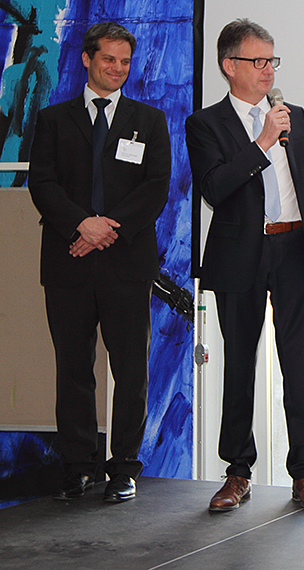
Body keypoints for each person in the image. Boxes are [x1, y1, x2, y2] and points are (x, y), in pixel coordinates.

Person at [185, 19, 304, 512]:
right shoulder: (205, 124)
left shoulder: (293, 115)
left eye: (273, 60)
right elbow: (214, 188)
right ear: (229, 66)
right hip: (240, 255)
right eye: (258, 61)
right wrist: (261, 144)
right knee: (239, 367)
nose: (268, 70)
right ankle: (237, 472)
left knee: (299, 368)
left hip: (295, 250)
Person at [28, 22, 171, 502]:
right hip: (68, 261)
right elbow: (43, 185)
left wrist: (106, 227)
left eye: (126, 61)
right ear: (88, 59)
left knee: (131, 371)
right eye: (109, 59)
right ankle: (78, 465)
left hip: (127, 263)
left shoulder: (149, 121)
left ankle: (125, 467)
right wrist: (82, 226)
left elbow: (155, 188)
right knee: (73, 368)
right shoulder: (52, 120)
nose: (118, 69)